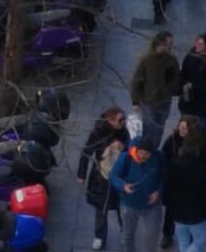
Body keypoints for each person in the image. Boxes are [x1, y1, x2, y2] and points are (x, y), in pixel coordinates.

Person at [160, 116, 206, 252]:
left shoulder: (202, 145)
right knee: (171, 213)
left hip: (191, 186)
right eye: (180, 126)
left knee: (189, 230)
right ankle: (167, 234)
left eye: (184, 128)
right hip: (175, 184)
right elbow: (163, 158)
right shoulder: (172, 141)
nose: (180, 129)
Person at [77, 106, 130, 250]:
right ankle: (100, 236)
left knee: (122, 207)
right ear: (110, 120)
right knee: (101, 208)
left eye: (123, 119)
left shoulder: (123, 132)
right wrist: (81, 174)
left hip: (119, 175)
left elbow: (130, 149)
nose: (123, 122)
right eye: (120, 120)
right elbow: (87, 151)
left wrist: (122, 147)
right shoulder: (98, 132)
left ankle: (125, 233)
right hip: (102, 176)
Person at [106, 137, 165, 252]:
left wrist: (158, 191)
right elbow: (113, 176)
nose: (143, 156)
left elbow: (163, 176)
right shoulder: (126, 157)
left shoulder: (159, 158)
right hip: (129, 204)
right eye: (141, 152)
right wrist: (123, 186)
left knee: (152, 236)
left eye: (146, 154)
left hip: (151, 205)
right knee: (127, 235)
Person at [129, 31, 180, 136]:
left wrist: (173, 88)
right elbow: (136, 81)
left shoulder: (172, 60)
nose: (170, 46)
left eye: (171, 44)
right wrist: (135, 101)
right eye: (167, 44)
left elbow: (176, 78)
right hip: (149, 102)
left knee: (159, 128)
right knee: (149, 129)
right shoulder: (147, 61)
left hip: (165, 101)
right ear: (159, 44)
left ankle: (153, 149)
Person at [180, 33, 206, 128]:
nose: (197, 45)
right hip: (188, 102)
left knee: (201, 132)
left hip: (202, 106)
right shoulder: (190, 56)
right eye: (197, 43)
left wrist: (194, 85)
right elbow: (183, 74)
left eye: (201, 44)